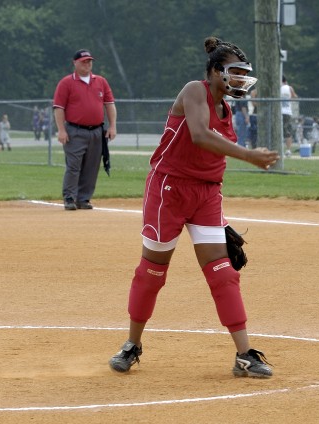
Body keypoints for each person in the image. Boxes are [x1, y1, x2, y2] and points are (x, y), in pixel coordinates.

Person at [108, 37, 279, 379]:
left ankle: (244, 355)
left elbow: (211, 153)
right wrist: (249, 155)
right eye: (234, 71)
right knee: (152, 272)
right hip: (168, 190)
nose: (240, 78)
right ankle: (132, 344)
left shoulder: (226, 109)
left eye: (243, 73)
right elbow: (199, 135)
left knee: (223, 274)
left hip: (207, 195)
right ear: (215, 71)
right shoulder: (194, 91)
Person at [53, 49, 117, 211]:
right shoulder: (66, 83)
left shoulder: (100, 81)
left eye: (89, 61)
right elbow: (59, 108)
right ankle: (69, 197)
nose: (87, 64)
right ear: (75, 63)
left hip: (96, 131)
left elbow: (109, 104)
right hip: (75, 130)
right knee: (74, 166)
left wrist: (112, 126)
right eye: (83, 61)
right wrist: (61, 130)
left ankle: (83, 198)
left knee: (92, 166)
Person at [281, 75, 298, 157]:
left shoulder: (276, 88)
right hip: (287, 112)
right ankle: (288, 150)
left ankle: (278, 149)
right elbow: (295, 97)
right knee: (288, 132)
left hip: (278, 112)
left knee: (279, 131)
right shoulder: (289, 88)